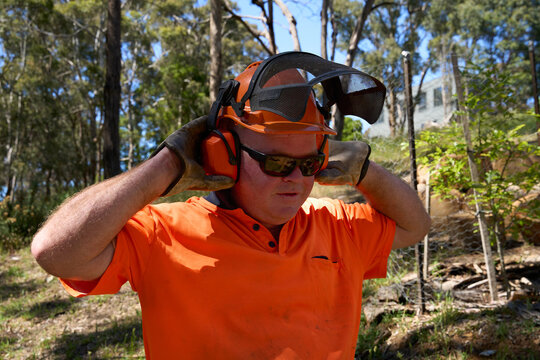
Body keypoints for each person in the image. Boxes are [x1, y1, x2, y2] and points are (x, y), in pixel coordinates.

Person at [31, 51, 430, 359]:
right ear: (225, 154)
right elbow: (55, 252)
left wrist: (365, 171)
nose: (295, 179)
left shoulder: (337, 227)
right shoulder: (161, 234)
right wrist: (164, 166)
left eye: (309, 163)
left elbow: (416, 225)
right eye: (276, 162)